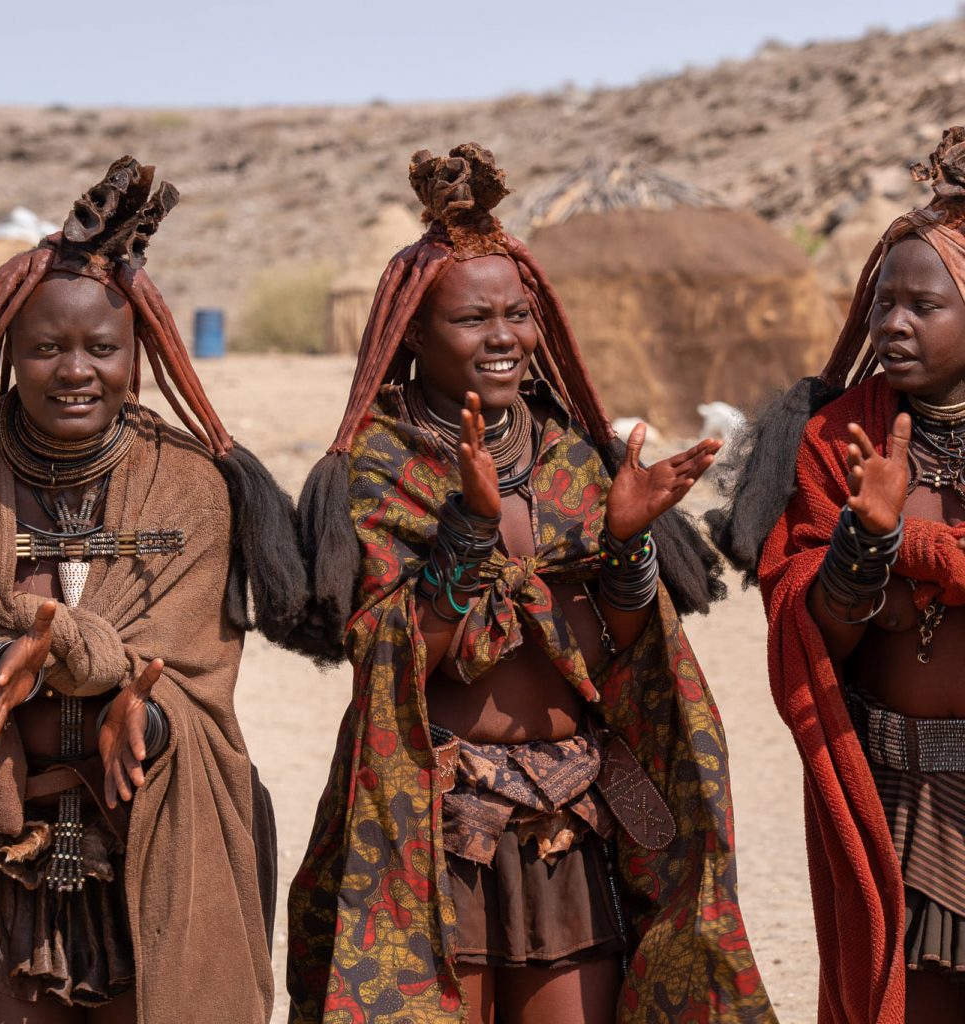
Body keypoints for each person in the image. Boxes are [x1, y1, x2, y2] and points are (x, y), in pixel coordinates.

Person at [286, 144, 775, 1024]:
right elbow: (395, 662)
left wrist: (627, 546)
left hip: (572, 817)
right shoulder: (379, 467)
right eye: (475, 319)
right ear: (413, 336)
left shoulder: (573, 458)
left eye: (519, 314)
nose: (505, 337)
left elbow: (628, 655)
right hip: (440, 823)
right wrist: (467, 532)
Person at [0, 157, 305, 1023]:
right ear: (7, 352)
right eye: (46, 347)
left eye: (101, 348)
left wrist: (148, 706)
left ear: (134, 356)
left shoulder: (187, 485)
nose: (75, 370)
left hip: (152, 839)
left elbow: (198, 677)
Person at [709, 127, 965, 1023]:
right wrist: (862, 548)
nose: (891, 323)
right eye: (883, 301)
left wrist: (918, 554)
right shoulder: (838, 435)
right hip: (888, 791)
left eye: (922, 306)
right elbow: (811, 624)